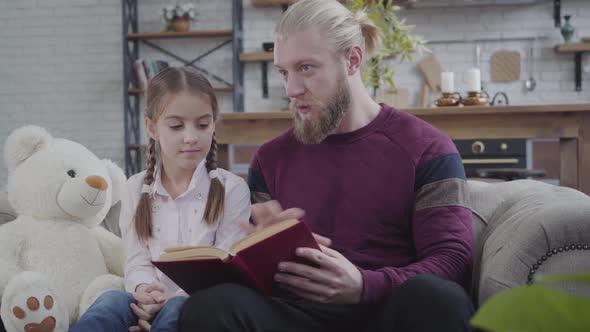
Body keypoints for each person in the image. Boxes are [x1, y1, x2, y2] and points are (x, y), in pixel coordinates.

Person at [179, 0, 475, 331]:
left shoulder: (427, 147)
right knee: (208, 307)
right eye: (283, 72)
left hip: (386, 309)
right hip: (300, 315)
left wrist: (363, 286)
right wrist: (261, 255)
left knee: (439, 299)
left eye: (306, 68)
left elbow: (453, 261)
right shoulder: (270, 159)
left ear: (352, 60)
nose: (291, 89)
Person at [69, 67, 251, 332]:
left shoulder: (231, 189)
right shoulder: (134, 189)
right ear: (151, 127)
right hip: (146, 298)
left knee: (177, 309)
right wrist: (144, 290)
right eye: (176, 126)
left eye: (202, 124)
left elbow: (224, 268)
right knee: (109, 301)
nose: (190, 137)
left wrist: (170, 301)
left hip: (196, 301)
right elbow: (136, 259)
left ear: (214, 123)